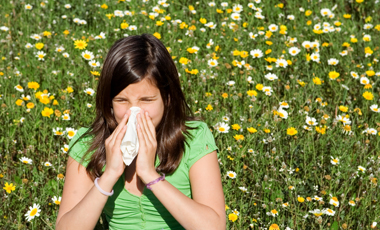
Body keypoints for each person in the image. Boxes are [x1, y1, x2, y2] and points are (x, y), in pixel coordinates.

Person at [55, 34, 226, 230]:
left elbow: (214, 227)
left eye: (146, 100)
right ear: (109, 101)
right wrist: (109, 175)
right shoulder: (88, 145)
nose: (133, 112)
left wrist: (150, 175)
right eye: (122, 100)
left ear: (167, 98)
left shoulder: (194, 138)